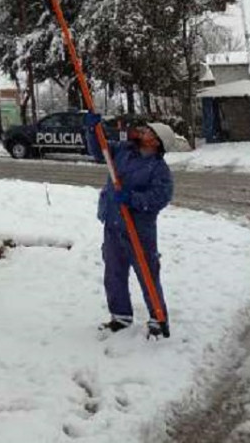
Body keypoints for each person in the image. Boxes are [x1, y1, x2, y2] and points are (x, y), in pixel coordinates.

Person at [85, 113, 173, 338]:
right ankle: (120, 316)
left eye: (148, 132)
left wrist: (132, 198)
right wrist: (94, 131)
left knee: (147, 272)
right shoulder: (124, 150)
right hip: (113, 222)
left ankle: (158, 318)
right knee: (113, 272)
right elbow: (99, 152)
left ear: (156, 142)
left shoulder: (158, 169)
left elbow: (160, 197)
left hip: (139, 229)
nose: (142, 132)